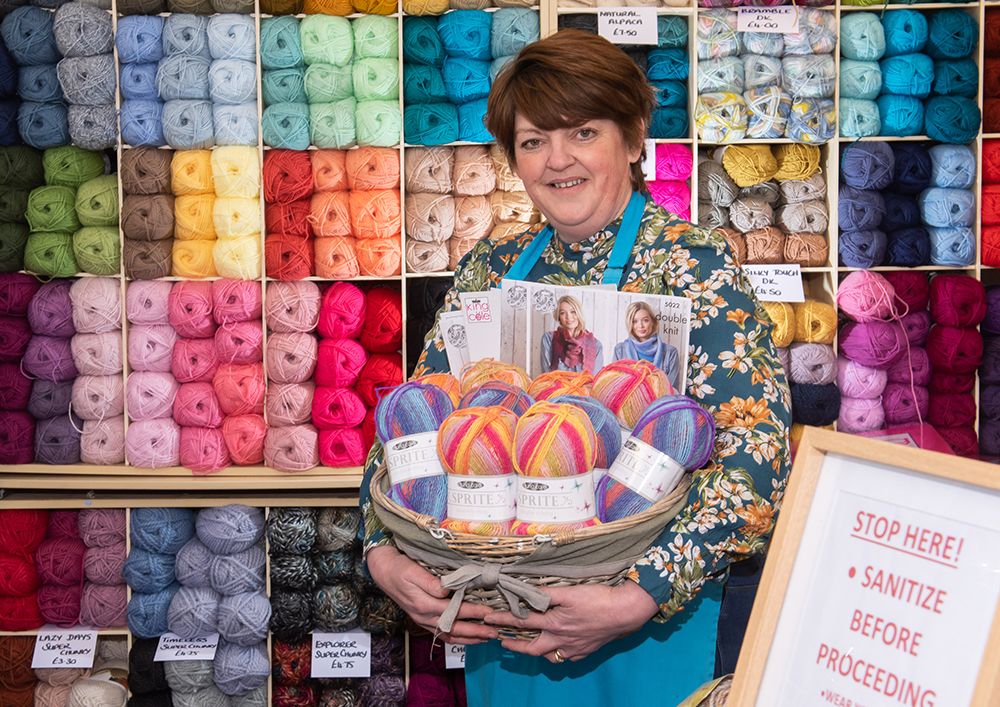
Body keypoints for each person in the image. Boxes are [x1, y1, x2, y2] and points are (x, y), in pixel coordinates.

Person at [359, 29, 792, 706]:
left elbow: (756, 461)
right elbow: (413, 422)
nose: (557, 160)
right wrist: (380, 549)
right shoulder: (493, 267)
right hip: (502, 618)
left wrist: (641, 592)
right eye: (533, 141)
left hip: (649, 632)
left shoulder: (694, 266)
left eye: (583, 132)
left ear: (635, 136)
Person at [613, 300, 680, 389]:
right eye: (635, 321)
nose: (640, 325)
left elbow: (672, 390)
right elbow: (614, 386)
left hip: (660, 402)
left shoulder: (670, 353)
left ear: (653, 322)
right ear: (630, 324)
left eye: (645, 320)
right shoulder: (620, 350)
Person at [540, 294, 604, 373]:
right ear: (559, 317)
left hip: (585, 385)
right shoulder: (549, 339)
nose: (569, 317)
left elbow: (594, 379)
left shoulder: (596, 345)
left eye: (573, 312)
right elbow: (547, 375)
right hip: (556, 385)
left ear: (578, 314)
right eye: (563, 313)